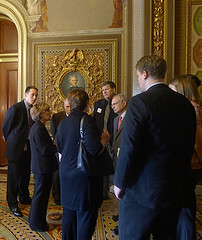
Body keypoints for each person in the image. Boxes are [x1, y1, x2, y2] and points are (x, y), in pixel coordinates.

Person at [113, 55, 196, 240]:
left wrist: (119, 183)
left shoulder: (139, 102)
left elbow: (129, 147)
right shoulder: (185, 104)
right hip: (174, 190)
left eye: (137, 76)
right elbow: (188, 145)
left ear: (144, 74)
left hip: (141, 192)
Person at [56, 89, 110, 240]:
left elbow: (59, 147)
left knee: (69, 213)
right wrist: (104, 140)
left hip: (66, 174)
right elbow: (94, 149)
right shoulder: (87, 121)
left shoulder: (63, 122)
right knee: (85, 216)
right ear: (87, 103)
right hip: (83, 176)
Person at [169, 74, 202, 240]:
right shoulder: (186, 107)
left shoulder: (193, 108)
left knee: (185, 207)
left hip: (190, 164)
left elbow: (197, 141)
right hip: (186, 164)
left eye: (172, 90)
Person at [2, 86, 38, 217]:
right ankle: (12, 203)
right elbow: (5, 127)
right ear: (26, 94)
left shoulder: (34, 110)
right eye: (32, 95)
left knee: (25, 174)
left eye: (36, 95)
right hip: (15, 149)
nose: (34, 98)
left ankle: (24, 197)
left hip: (28, 148)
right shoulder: (16, 108)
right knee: (13, 177)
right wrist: (11, 140)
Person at [29, 102, 58, 232]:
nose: (50, 113)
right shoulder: (39, 128)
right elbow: (45, 150)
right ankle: (37, 224)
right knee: (40, 197)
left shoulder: (38, 127)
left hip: (41, 167)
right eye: (47, 111)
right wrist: (55, 146)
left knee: (39, 196)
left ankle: (35, 221)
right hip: (42, 168)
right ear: (41, 114)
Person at [94, 81, 117, 199]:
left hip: (113, 140)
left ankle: (112, 189)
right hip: (100, 140)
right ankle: (102, 193)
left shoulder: (118, 103)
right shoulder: (98, 104)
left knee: (111, 166)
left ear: (113, 89)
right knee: (100, 166)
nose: (104, 92)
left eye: (107, 89)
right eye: (103, 90)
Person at [110, 93, 127, 235]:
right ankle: (120, 213)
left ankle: (124, 218)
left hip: (126, 158)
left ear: (124, 103)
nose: (112, 107)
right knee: (117, 188)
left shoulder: (132, 118)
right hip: (116, 157)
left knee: (123, 190)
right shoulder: (116, 119)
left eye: (115, 104)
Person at [50, 98, 70, 205]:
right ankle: (56, 195)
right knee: (57, 173)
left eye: (70, 106)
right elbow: (54, 132)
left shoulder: (77, 116)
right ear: (64, 106)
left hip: (71, 149)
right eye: (67, 106)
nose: (69, 109)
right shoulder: (57, 117)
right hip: (59, 147)